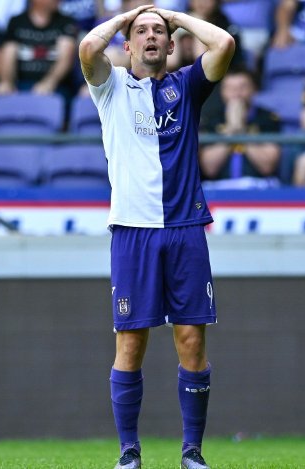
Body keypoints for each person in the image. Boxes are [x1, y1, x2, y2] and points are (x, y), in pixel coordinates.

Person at [79, 4, 235, 468]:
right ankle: (129, 453)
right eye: (141, 32)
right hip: (133, 231)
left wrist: (173, 15)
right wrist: (130, 14)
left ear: (171, 45)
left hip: (185, 229)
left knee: (191, 341)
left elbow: (224, 43)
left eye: (159, 33)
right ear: (126, 46)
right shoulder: (110, 88)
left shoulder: (186, 86)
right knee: (131, 343)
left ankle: (191, 452)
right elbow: (89, 47)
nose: (151, 36)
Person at [199, 67, 281, 185]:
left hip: (259, 185)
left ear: (254, 89)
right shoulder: (212, 119)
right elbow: (209, 169)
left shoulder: (268, 118)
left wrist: (242, 130)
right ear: (222, 92)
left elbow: (267, 166)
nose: (236, 93)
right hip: (220, 186)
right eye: (230, 88)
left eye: (243, 87)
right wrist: (231, 129)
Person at [0, 0, 79, 97]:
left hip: (57, 87)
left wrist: (49, 82)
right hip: (21, 84)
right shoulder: (16, 22)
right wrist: (6, 81)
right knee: (2, 94)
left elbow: (65, 59)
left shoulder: (66, 22)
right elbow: (8, 56)